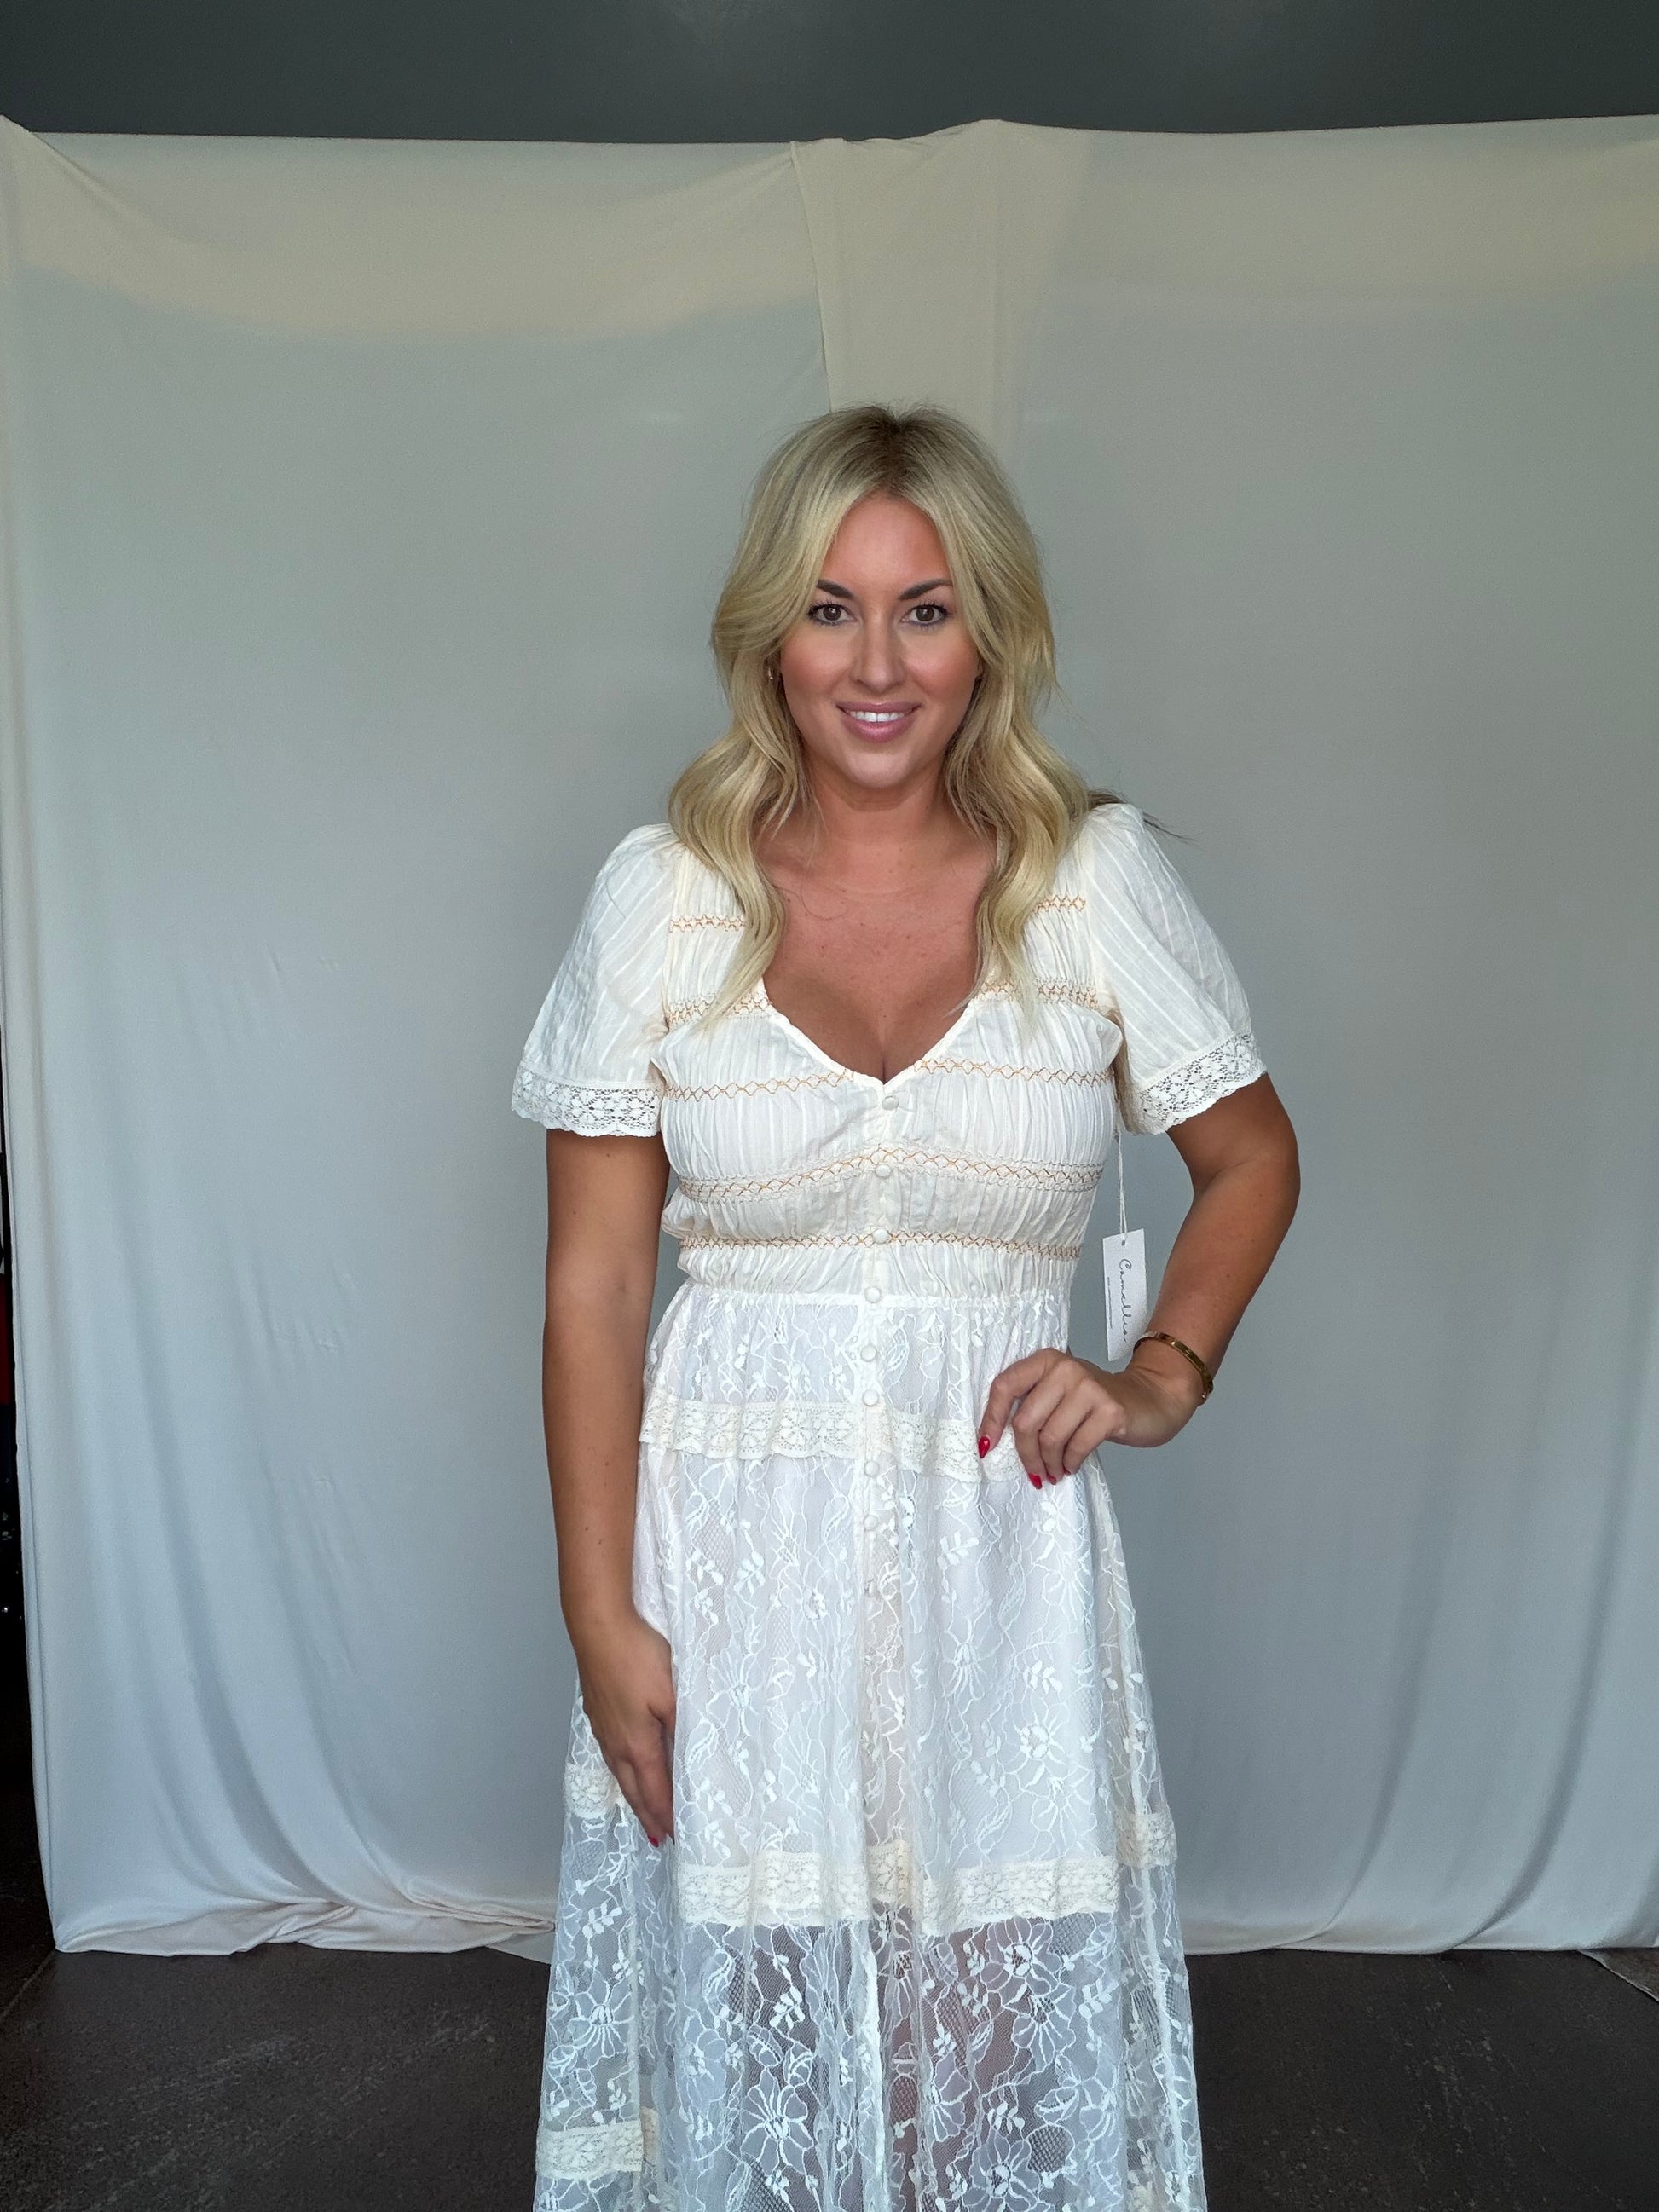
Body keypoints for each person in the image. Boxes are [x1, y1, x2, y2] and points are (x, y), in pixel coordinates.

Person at [511, 403, 1299, 2212]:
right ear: (767, 635)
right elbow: (594, 1285)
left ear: (987, 632)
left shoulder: (1090, 878)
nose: (876, 665)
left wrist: (1160, 1369)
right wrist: (596, 1609)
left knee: (986, 2042)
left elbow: (1250, 1155)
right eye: (831, 608)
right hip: (729, 1553)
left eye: (924, 610)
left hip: (993, 1550)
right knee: (761, 2031)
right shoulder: (663, 897)